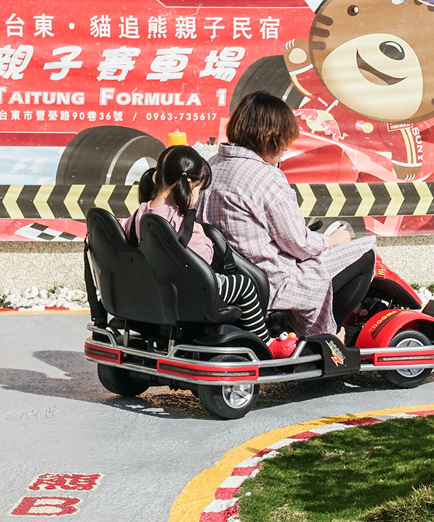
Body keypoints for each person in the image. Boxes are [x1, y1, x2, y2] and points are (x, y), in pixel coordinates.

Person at [199, 91, 377, 338]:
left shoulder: (210, 166)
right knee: (366, 253)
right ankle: (325, 337)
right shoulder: (266, 177)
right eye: (284, 142)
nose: (285, 150)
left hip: (227, 280)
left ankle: (289, 326)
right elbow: (299, 245)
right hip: (272, 283)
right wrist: (332, 240)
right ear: (273, 138)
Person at [122, 145, 297, 358]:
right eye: (198, 189)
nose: (198, 195)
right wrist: (201, 234)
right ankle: (265, 341)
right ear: (187, 184)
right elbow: (203, 259)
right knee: (244, 284)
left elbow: (126, 234)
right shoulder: (179, 221)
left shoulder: (143, 211)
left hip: (161, 289)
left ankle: (218, 330)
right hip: (192, 291)